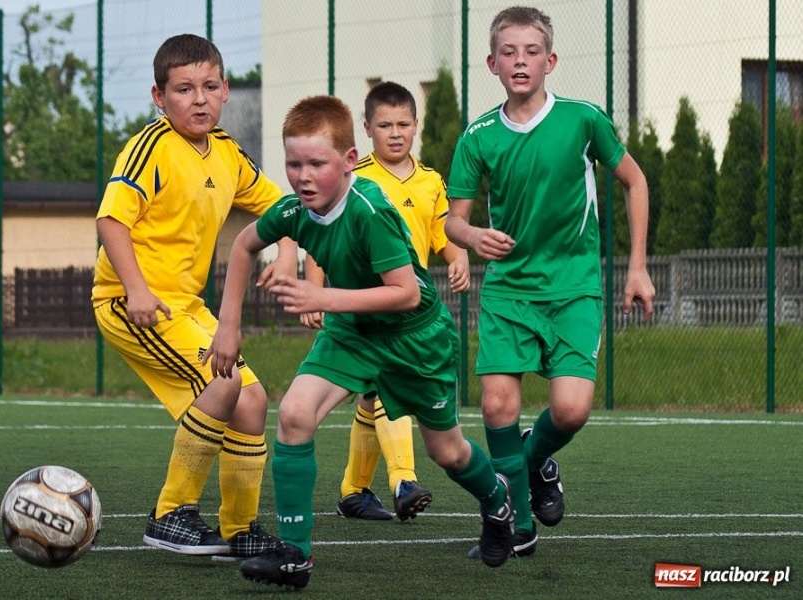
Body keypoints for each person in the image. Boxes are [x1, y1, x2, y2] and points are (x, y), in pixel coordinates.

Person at [205, 95, 515, 589]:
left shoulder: (370, 211)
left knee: (447, 452)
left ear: (350, 160)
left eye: (317, 164)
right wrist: (229, 325)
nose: (303, 177)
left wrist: (322, 297)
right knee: (294, 413)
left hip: (415, 338)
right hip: (352, 332)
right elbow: (244, 246)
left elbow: (406, 292)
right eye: (294, 164)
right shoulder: (295, 209)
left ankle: (497, 502)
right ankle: (295, 555)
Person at [444, 6, 656, 560]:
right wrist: (472, 236)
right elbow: (453, 221)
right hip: (509, 291)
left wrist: (636, 267)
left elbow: (635, 181)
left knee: (571, 410)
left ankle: (535, 459)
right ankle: (518, 526)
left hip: (574, 287)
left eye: (532, 52)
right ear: (492, 63)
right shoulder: (478, 136)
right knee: (496, 406)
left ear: (551, 61)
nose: (521, 61)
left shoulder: (583, 120)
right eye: (509, 52)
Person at [91, 33, 297, 560]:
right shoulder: (150, 147)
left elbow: (282, 207)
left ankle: (240, 529)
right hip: (131, 304)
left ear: (226, 89)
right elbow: (111, 220)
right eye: (183, 89)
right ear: (159, 97)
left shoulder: (227, 152)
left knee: (252, 398)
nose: (199, 99)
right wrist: (137, 290)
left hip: (186, 308)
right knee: (222, 383)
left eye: (209, 86)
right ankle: (170, 514)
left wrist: (289, 252)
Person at [304, 82, 470, 522]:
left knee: (372, 399)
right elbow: (321, 234)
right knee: (382, 386)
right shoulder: (354, 178)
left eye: (402, 124)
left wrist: (459, 259)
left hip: (407, 313)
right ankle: (404, 481)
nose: (395, 133)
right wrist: (314, 291)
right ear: (366, 129)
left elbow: (443, 234)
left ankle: (353, 491)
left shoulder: (431, 181)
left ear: (416, 125)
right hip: (361, 310)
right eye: (384, 125)